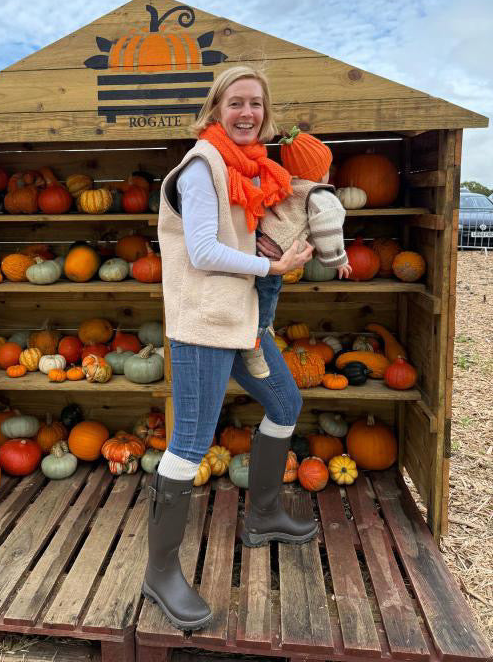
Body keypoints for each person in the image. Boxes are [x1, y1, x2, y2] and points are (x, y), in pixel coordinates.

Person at [144, 66, 317, 631]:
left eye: (257, 105)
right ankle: (160, 572)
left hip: (242, 319)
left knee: (285, 404)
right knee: (191, 442)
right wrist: (274, 265)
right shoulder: (201, 166)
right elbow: (200, 251)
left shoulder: (253, 168)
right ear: (217, 108)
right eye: (237, 103)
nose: (247, 113)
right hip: (202, 325)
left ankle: (263, 515)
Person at [240, 127, 352, 378]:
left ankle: (261, 326)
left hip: (255, 240)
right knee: (267, 298)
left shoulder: (288, 184)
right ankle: (254, 346)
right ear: (322, 171)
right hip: (274, 251)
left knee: (256, 294)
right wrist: (337, 258)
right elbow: (328, 225)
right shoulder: (319, 193)